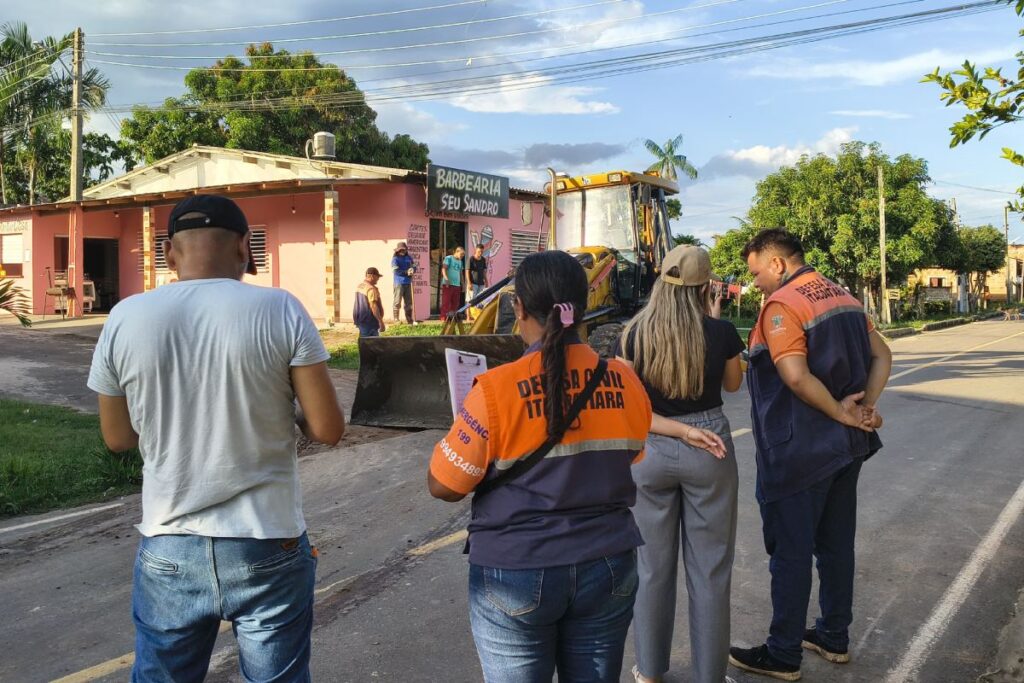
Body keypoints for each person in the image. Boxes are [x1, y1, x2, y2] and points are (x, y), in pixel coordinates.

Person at [87, 194, 345, 683]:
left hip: (168, 544)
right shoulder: (280, 308)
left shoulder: (125, 316)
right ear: (246, 247)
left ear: (169, 253)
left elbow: (117, 438)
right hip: (268, 540)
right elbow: (328, 429)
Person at [427, 250, 653, 682]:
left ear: (519, 308)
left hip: (516, 571)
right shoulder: (624, 380)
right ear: (584, 306)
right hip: (608, 565)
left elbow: (444, 485)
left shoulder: (494, 389)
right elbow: (633, 452)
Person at [728, 229, 891, 681]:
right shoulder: (844, 296)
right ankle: (833, 635)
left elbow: (795, 377)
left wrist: (843, 413)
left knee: (791, 552)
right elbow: (884, 356)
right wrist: (864, 410)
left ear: (777, 263)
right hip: (844, 450)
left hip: (799, 451)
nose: (755, 282)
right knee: (836, 545)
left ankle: (782, 653)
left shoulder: (784, 305)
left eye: (756, 271)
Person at [617, 245, 744, 683]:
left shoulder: (633, 333)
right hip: (709, 445)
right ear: (707, 286)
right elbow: (732, 384)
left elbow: (628, 408)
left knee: (651, 568)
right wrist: (714, 316)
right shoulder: (722, 332)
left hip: (650, 448)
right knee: (710, 568)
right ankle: (710, 674)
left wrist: (671, 428)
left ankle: (650, 670)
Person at [354, 267, 386, 337]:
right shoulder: (371, 289)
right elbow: (373, 306)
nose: (378, 279)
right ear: (372, 276)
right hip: (370, 322)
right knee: (373, 344)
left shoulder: (360, 286)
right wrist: (381, 322)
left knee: (364, 343)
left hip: (361, 321)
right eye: (377, 277)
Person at [391, 241, 416, 324]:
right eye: (401, 250)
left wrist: (413, 270)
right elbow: (396, 271)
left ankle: (409, 319)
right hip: (399, 283)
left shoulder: (409, 257)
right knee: (397, 301)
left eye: (404, 250)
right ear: (397, 250)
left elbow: (414, 266)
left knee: (409, 302)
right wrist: (406, 272)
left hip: (408, 282)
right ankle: (396, 319)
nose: (402, 251)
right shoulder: (395, 259)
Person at [441, 245, 465, 319]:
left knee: (455, 303)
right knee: (446, 302)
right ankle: (443, 318)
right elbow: (443, 269)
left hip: (457, 285)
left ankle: (452, 319)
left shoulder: (460, 261)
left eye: (463, 255)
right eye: (461, 254)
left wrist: (463, 284)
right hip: (448, 284)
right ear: (457, 252)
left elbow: (461, 274)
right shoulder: (449, 258)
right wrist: (446, 279)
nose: (462, 256)